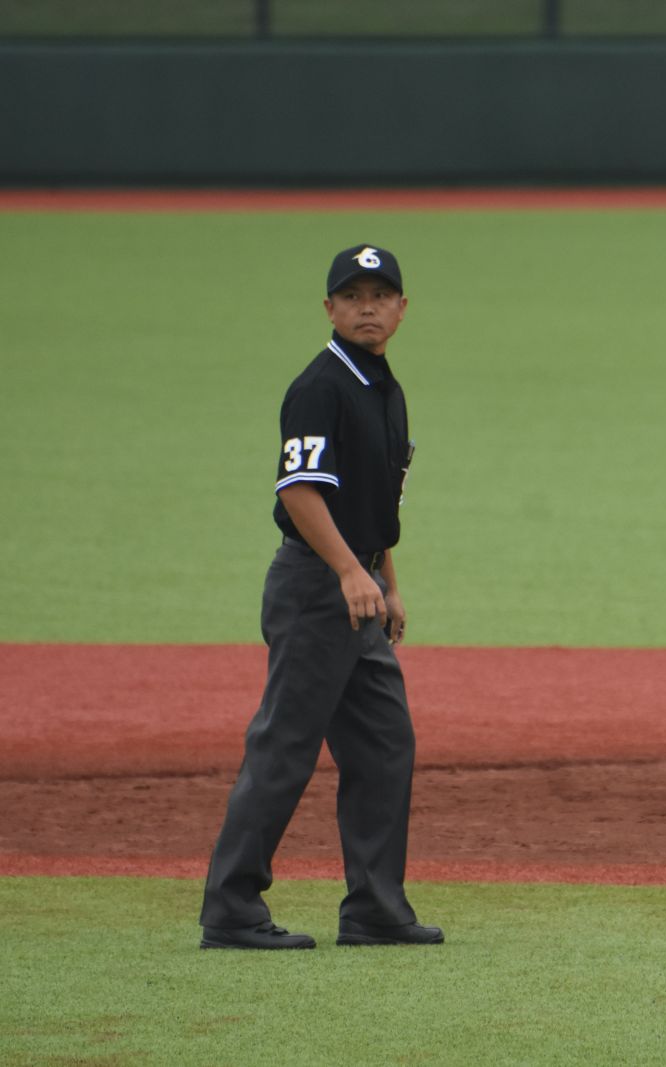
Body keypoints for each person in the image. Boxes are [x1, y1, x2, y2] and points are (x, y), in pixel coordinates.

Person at [198, 245, 441, 949]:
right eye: (353, 296)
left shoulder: (384, 387)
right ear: (329, 309)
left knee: (385, 744)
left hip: (358, 588)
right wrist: (348, 572)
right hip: (316, 586)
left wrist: (386, 579)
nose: (368, 308)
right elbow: (301, 491)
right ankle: (231, 908)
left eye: (380, 295)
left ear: (402, 308)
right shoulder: (320, 387)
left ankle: (374, 908)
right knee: (285, 745)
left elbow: (377, 500)